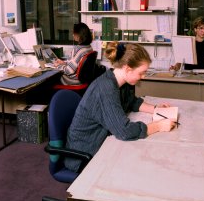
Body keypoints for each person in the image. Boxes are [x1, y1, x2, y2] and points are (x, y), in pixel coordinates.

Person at [64, 42, 176, 172]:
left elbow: (132, 102)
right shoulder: (106, 88)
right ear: (128, 69)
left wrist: (156, 109)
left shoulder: (122, 81)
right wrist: (158, 126)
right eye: (141, 73)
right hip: (84, 154)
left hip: (102, 143)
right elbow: (124, 131)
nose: (143, 77)